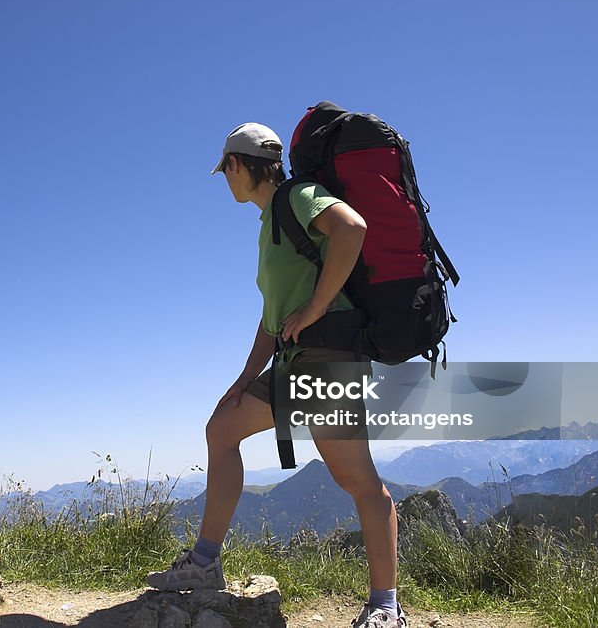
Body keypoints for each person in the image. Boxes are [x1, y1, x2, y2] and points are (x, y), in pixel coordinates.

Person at [144, 123, 406, 627]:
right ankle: (204, 564)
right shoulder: (270, 225)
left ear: (238, 167)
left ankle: (385, 605)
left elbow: (352, 229)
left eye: (226, 171)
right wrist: (243, 379)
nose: (226, 181)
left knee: (357, 480)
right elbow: (272, 319)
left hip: (329, 358)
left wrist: (316, 307)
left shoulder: (300, 195)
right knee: (222, 428)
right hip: (291, 363)